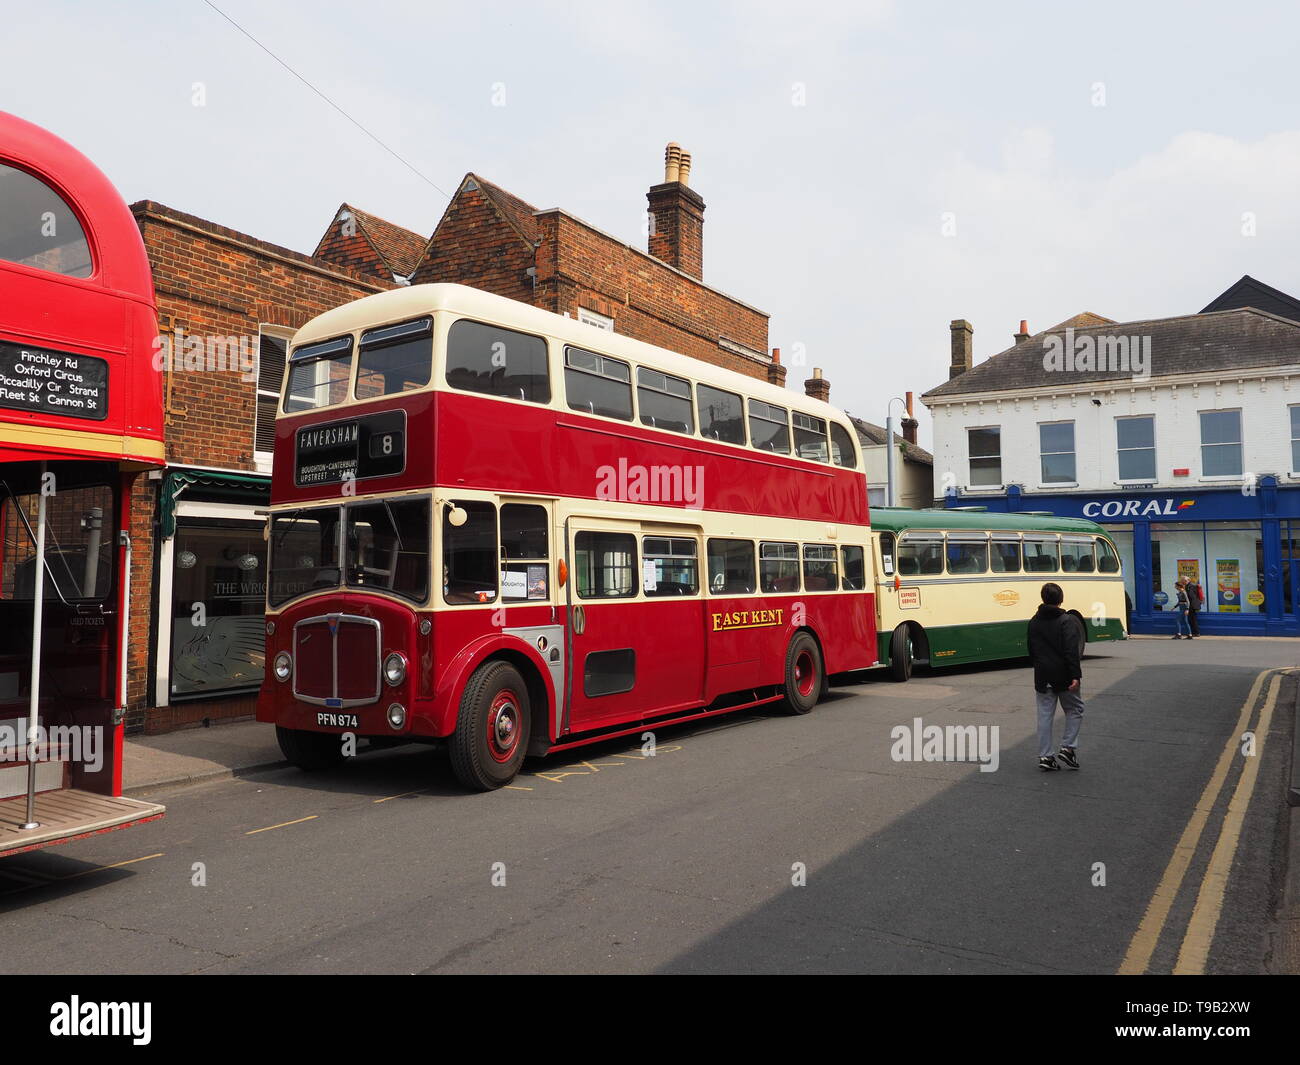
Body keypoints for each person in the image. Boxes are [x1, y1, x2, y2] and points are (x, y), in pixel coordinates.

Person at [1027, 582, 1085, 771]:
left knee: (1044, 716)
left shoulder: (1034, 621)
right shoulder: (1066, 621)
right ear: (1061, 599)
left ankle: (1046, 756)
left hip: (1043, 676)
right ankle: (1068, 747)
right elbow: (1071, 651)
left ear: (1043, 599)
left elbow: (1031, 650)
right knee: (1075, 709)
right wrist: (1075, 675)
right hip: (1064, 675)